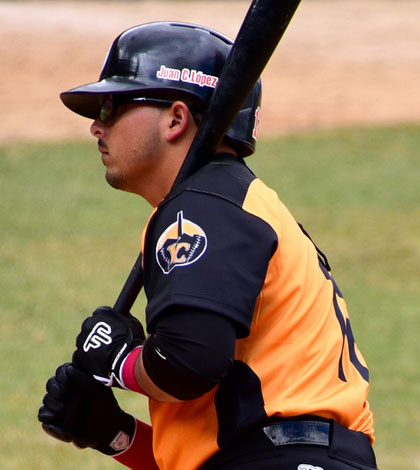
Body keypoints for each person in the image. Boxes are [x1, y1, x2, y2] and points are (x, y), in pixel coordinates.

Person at [38, 21, 378, 470]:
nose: (96, 128)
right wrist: (114, 434)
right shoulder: (229, 204)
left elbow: (188, 362)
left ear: (176, 118)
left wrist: (120, 361)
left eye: (112, 107)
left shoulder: (205, 206)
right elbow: (222, 450)